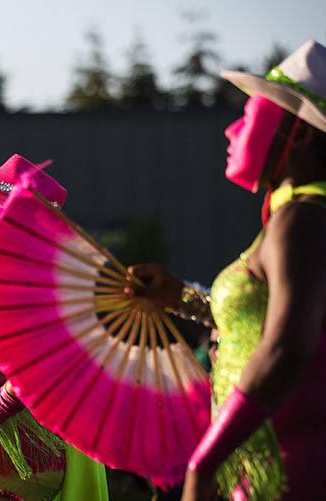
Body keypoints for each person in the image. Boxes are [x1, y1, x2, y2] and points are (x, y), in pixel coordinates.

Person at [129, 40, 326, 501]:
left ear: (297, 133)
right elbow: (263, 325)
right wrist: (180, 298)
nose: (231, 130)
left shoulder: (303, 219)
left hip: (286, 471)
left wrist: (207, 460)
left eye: (252, 113)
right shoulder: (297, 217)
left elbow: (285, 348)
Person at [0, 154, 108, 500]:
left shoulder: (19, 292)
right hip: (0, 465)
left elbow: (42, 369)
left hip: (14, 465)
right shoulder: (11, 287)